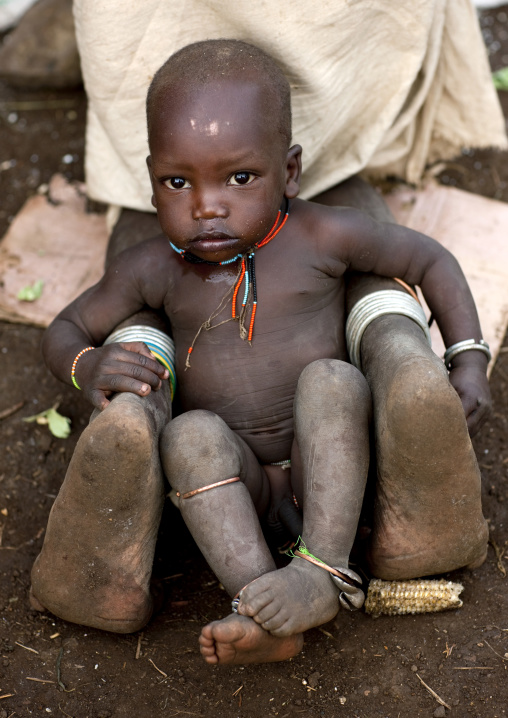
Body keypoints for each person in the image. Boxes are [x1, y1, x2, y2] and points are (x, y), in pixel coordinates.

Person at [31, 40, 490, 665]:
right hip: (234, 483)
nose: (207, 206)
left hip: (329, 471)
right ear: (151, 180)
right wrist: (88, 365)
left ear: (290, 171)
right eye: (177, 182)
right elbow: (66, 327)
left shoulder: (321, 234)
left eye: (239, 178)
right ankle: (260, 610)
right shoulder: (154, 269)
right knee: (188, 435)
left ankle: (320, 570)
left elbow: (429, 258)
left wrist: (468, 356)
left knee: (331, 380)